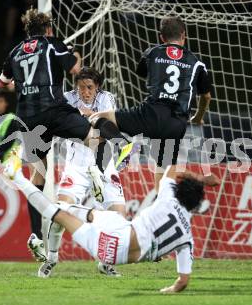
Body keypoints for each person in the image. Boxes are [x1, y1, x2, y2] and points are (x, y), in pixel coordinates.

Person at [0, 8, 136, 261]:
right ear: (48, 29)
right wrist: (73, 51)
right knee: (94, 134)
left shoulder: (15, 52)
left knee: (37, 175)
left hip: (27, 118)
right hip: (53, 110)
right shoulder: (51, 44)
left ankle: (34, 236)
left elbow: (2, 83)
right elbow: (75, 68)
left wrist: (26, 86)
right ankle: (109, 158)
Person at [3, 146, 220, 293]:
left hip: (120, 231)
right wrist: (167, 291)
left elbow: (173, 171)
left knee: (59, 211)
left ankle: (19, 178)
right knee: (63, 213)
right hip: (110, 253)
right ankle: (98, 188)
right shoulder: (188, 239)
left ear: (180, 191)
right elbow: (182, 282)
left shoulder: (168, 196)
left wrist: (201, 180)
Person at [90, 16, 212, 191]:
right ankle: (160, 206)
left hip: (150, 115)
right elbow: (206, 97)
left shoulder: (152, 53)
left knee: (96, 117)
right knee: (163, 174)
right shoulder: (197, 63)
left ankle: (123, 144)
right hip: (176, 125)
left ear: (161, 36)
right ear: (184, 35)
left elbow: (142, 72)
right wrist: (197, 117)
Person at [39, 67, 126, 278]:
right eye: (81, 88)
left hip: (104, 163)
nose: (84, 92)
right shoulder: (67, 98)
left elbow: (106, 127)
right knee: (60, 211)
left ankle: (105, 263)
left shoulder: (107, 99)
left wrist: (84, 115)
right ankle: (51, 258)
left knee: (120, 217)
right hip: (76, 165)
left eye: (89, 88)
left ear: (97, 87)